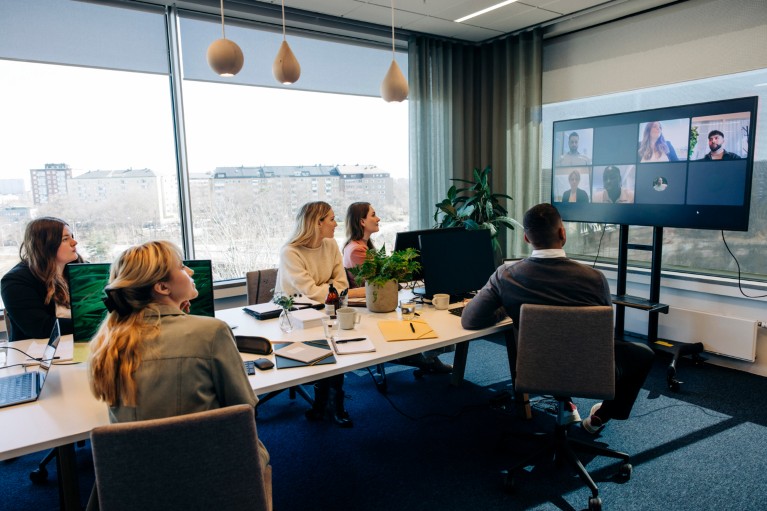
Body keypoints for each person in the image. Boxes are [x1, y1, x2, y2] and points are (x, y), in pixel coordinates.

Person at [88, 241, 270, 507]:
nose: (191, 272)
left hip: (136, 482)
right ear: (162, 288)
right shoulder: (211, 332)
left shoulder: (110, 341)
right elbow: (244, 409)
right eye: (183, 267)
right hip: (210, 478)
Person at [460, 203, 654, 434]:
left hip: (535, 368)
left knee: (556, 348)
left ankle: (566, 401)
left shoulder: (506, 275)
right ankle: (601, 416)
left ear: (526, 238)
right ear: (562, 233)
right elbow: (603, 339)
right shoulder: (594, 278)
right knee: (642, 355)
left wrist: (507, 306)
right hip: (591, 371)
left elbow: (470, 320)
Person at [342, 202, 452, 374]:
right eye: (373, 215)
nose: (378, 218)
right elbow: (379, 281)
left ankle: (428, 358)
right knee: (424, 314)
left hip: (378, 301)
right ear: (362, 221)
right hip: (370, 306)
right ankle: (425, 359)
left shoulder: (363, 246)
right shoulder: (356, 250)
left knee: (422, 309)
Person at [276, 201, 354, 427]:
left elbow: (342, 283)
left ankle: (330, 402)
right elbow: (309, 291)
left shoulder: (330, 245)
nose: (336, 224)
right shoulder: (290, 251)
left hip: (328, 310)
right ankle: (327, 403)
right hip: (294, 315)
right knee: (325, 343)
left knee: (338, 342)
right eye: (331, 219)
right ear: (317, 223)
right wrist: (328, 289)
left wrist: (326, 290)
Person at [1, 217, 82, 341]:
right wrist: (91, 324)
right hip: (34, 352)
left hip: (79, 341)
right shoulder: (15, 281)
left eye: (72, 236)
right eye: (65, 239)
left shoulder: (82, 269)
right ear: (45, 245)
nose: (74, 242)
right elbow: (40, 327)